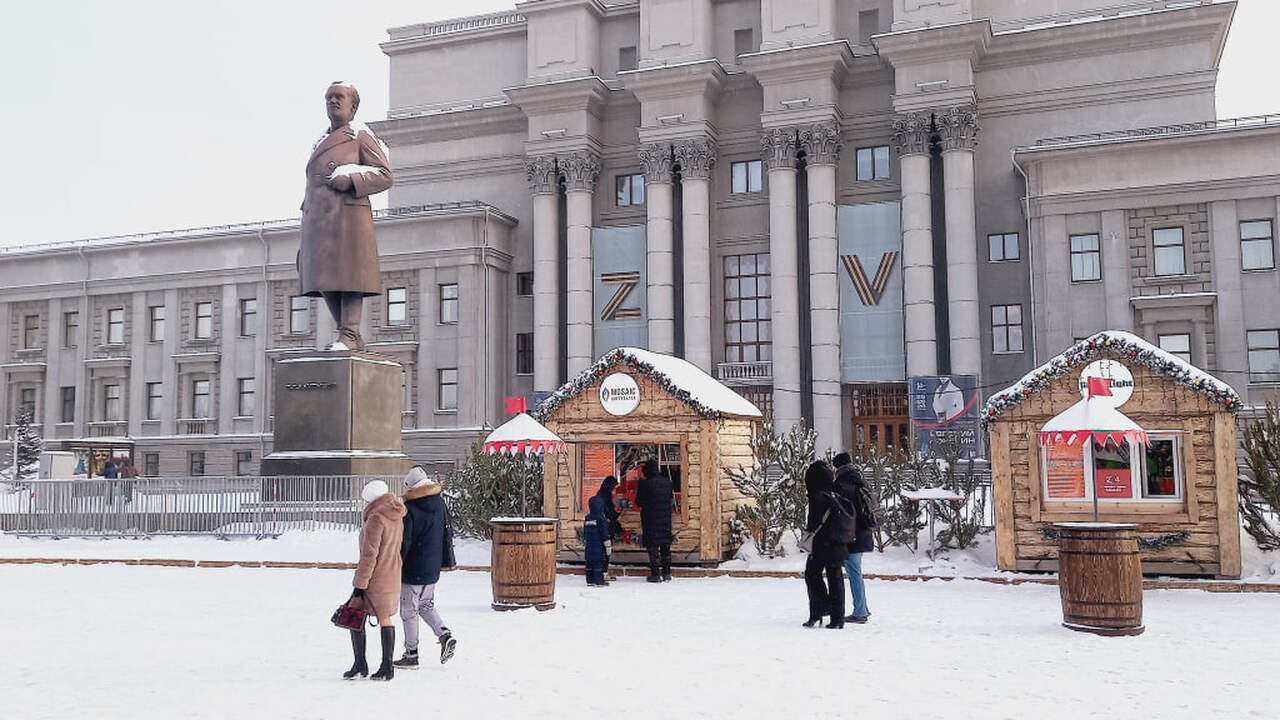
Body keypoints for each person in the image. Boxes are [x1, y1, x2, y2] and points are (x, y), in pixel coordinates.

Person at [299, 81, 393, 351]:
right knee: (324, 278)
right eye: (329, 97)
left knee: (349, 275)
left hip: (348, 220)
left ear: (353, 106)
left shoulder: (359, 137)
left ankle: (350, 334)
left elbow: (385, 175)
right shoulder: (319, 140)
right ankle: (349, 335)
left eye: (340, 97)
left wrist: (352, 178)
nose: (333, 101)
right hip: (319, 221)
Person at [393, 466, 458, 669]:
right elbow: (448, 532)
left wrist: (396, 564)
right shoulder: (439, 504)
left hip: (413, 568)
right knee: (425, 604)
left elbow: (406, 541)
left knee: (409, 611)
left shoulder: (410, 509)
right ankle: (444, 634)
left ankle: (411, 654)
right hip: (432, 566)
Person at [344, 479, 406, 681]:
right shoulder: (396, 515)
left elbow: (369, 555)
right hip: (392, 573)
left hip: (375, 578)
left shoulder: (376, 519)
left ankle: (363, 664)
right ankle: (384, 665)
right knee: (384, 617)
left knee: (354, 613)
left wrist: (359, 585)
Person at [802, 460, 853, 629]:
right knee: (835, 578)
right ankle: (838, 618)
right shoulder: (835, 493)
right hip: (838, 543)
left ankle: (819, 611)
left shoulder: (817, 497)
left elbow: (813, 524)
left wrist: (807, 540)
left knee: (811, 575)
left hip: (822, 544)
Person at [833, 452, 873, 624]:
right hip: (863, 533)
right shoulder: (860, 479)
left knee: (854, 572)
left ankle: (860, 612)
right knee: (855, 572)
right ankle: (862, 607)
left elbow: (839, 513)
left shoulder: (841, 485)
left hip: (850, 535)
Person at [634, 459, 674, 582]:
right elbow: (670, 499)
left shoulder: (646, 484)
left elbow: (639, 502)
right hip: (665, 519)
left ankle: (655, 574)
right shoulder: (667, 482)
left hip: (650, 519)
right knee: (665, 547)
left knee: (653, 548)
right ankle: (667, 573)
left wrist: (640, 484)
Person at [584, 482, 612, 587]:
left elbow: (585, 532)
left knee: (589, 564)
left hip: (589, 546)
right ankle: (599, 580)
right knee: (598, 565)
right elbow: (604, 533)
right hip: (599, 547)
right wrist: (608, 546)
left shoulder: (587, 518)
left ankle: (589, 580)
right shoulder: (601, 519)